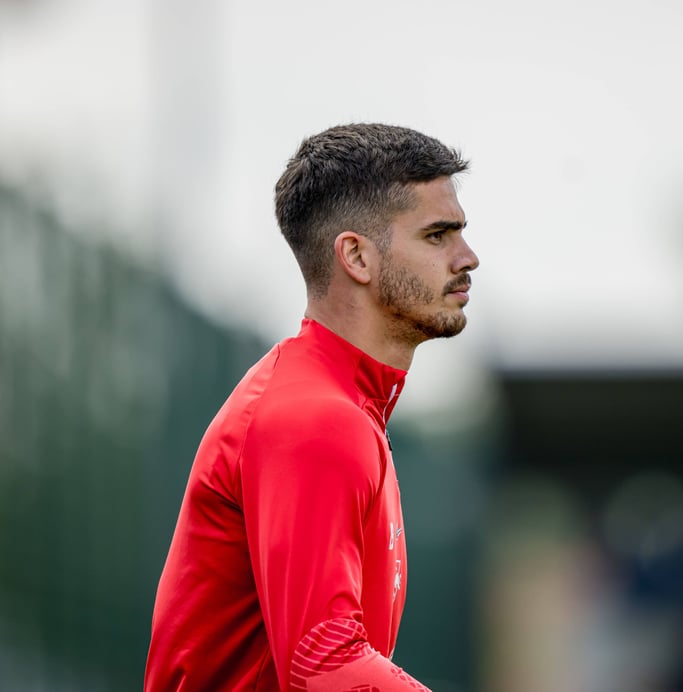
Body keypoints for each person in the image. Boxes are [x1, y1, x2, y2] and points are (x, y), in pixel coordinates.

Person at [145, 123, 479, 691]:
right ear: (356, 256)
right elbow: (321, 661)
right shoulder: (315, 418)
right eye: (437, 236)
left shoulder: (345, 408)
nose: (467, 258)